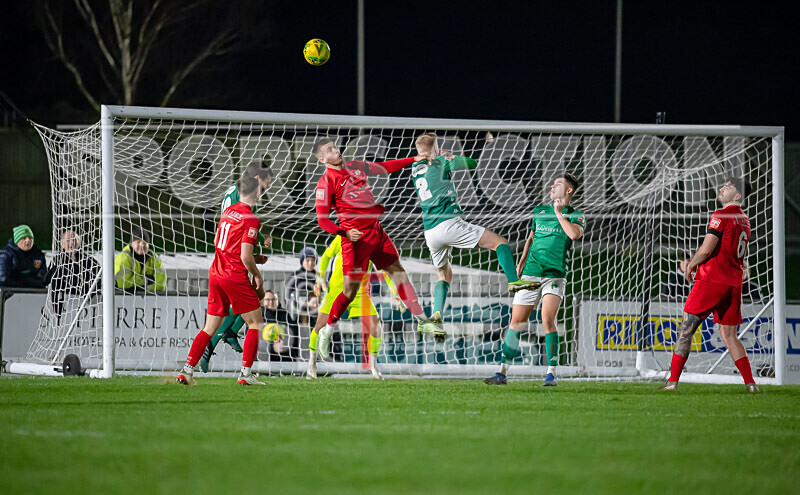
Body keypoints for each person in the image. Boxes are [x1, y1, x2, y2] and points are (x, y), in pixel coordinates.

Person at [312, 136, 443, 357]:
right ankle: (328, 330)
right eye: (330, 150)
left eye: (335, 146)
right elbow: (322, 220)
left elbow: (384, 168)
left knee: (399, 274)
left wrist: (414, 159)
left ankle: (422, 320)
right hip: (354, 241)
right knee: (349, 291)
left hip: (376, 232)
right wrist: (344, 232)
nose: (336, 151)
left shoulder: (355, 166)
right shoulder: (325, 183)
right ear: (322, 159)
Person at [411, 132, 540, 321]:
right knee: (500, 243)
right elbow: (472, 163)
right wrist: (450, 156)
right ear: (435, 148)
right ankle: (514, 282)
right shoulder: (441, 161)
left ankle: (436, 316)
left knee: (444, 275)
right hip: (448, 223)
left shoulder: (415, 168)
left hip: (430, 232)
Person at [485, 173, 584, 386]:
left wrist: (559, 214)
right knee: (516, 322)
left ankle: (551, 373)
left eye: (558, 184)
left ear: (569, 191)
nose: (552, 186)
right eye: (553, 182)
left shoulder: (575, 215)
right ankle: (502, 373)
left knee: (547, 320)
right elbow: (531, 237)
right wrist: (521, 262)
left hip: (554, 275)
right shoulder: (539, 211)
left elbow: (574, 235)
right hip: (531, 272)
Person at [660, 179, 759, 392]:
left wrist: (691, 265)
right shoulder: (745, 220)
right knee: (730, 336)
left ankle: (672, 383)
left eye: (728, 187)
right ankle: (751, 384)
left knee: (686, 328)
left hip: (712, 280)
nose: (722, 188)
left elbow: (706, 249)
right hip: (733, 284)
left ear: (737, 196)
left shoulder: (721, 215)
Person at [176, 166, 270, 386]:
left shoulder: (228, 212)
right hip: (234, 275)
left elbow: (222, 243)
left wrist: (253, 259)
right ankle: (246, 374)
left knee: (210, 327)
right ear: (256, 193)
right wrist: (256, 274)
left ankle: (187, 370)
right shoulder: (251, 219)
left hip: (216, 272)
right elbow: (245, 256)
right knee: (255, 323)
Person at [199, 162, 273, 372]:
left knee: (250, 300)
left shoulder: (240, 192)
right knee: (249, 304)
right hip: (230, 260)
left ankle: (226, 335)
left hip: (230, 256)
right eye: (267, 183)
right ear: (258, 178)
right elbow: (233, 225)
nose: (267, 188)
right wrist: (250, 255)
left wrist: (257, 241)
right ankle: (213, 345)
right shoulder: (238, 196)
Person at [307, 235, 405, 380]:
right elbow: (327, 255)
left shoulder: (373, 242)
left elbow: (385, 270)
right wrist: (320, 276)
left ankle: (373, 367)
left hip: (360, 292)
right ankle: (311, 364)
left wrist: (395, 293)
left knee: (376, 327)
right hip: (336, 289)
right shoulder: (342, 237)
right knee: (319, 326)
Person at [48, 230, 101, 315]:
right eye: (68, 240)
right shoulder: (57, 261)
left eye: (75, 240)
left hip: (86, 305)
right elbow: (51, 283)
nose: (72, 243)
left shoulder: (90, 262)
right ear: (62, 244)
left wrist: (91, 292)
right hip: (65, 305)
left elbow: (98, 280)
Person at [113, 227, 166, 293]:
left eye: (145, 242)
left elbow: (161, 284)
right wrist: (147, 280)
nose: (142, 245)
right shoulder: (123, 257)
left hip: (149, 298)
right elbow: (123, 283)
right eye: (138, 242)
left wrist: (145, 289)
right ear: (131, 243)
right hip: (124, 297)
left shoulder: (154, 258)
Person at [0, 224, 49, 289]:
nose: (28, 240)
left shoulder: (38, 255)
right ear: (17, 240)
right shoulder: (5, 254)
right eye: (24, 238)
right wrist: (23, 283)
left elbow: (42, 279)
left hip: (34, 294)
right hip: (10, 294)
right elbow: (3, 278)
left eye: (30, 238)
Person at [261, 289, 298, 361]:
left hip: (284, 352)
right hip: (265, 354)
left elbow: (294, 332)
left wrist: (283, 342)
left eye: (273, 299)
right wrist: (272, 345)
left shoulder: (284, 314)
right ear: (263, 301)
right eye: (268, 300)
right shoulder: (259, 315)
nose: (271, 302)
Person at [284, 246, 319, 322]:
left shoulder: (318, 276)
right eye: (307, 260)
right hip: (300, 313)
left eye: (313, 260)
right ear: (302, 261)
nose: (310, 263)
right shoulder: (295, 277)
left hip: (316, 311)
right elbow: (287, 297)